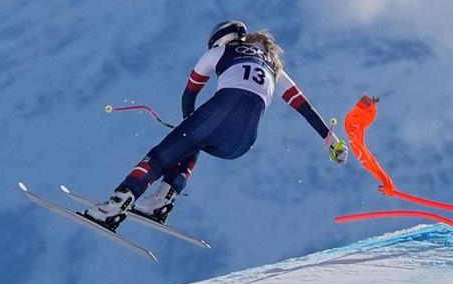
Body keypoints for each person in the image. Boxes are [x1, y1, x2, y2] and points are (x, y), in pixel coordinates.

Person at [84, 20, 348, 231]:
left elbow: (190, 94)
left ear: (219, 39)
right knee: (195, 140)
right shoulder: (273, 66)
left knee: (164, 153)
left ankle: (115, 206)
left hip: (221, 111)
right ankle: (162, 200)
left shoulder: (219, 52)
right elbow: (304, 107)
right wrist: (331, 141)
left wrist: (185, 128)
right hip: (242, 143)